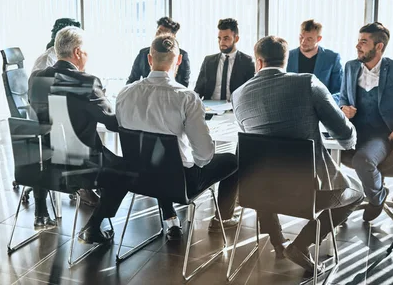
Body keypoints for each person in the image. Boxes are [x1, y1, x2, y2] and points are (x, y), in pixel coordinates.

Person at [232, 35, 364, 274]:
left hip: (257, 190)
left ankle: (278, 241)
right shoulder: (307, 83)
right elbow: (343, 131)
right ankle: (301, 245)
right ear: (286, 60)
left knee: (264, 166)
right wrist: (349, 141)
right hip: (309, 193)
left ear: (258, 62)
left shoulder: (238, 94)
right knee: (356, 193)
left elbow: (254, 143)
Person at [113, 34, 238, 240]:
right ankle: (222, 219)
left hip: (137, 178)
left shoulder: (124, 93)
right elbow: (204, 156)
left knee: (160, 160)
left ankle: (170, 216)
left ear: (149, 59)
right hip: (180, 184)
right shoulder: (186, 97)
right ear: (178, 60)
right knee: (233, 160)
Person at [29, 27, 122, 243]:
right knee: (124, 173)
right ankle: (92, 228)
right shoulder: (87, 82)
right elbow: (112, 122)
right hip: (80, 170)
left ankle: (41, 214)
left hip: (44, 166)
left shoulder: (35, 79)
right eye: (87, 51)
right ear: (78, 52)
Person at [340, 23, 393, 221]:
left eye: (363, 42)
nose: (357, 46)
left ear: (379, 46)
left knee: (363, 160)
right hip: (353, 132)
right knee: (319, 151)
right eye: (358, 41)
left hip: (383, 134)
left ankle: (377, 197)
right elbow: (343, 97)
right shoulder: (351, 66)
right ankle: (335, 205)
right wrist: (344, 108)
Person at [194, 18, 255, 101]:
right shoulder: (208, 61)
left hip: (234, 110)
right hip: (210, 110)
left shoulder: (247, 62)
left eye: (226, 38)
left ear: (236, 39)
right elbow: (198, 90)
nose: (221, 42)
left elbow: (250, 93)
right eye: (219, 38)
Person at [287, 19, 343, 100]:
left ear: (319, 39)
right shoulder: (287, 57)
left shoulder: (332, 58)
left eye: (309, 39)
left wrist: (326, 104)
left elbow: (339, 91)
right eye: (301, 37)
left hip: (321, 109)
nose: (303, 41)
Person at [127, 17, 191, 87]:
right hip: (146, 93)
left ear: (173, 37)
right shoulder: (143, 53)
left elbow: (184, 83)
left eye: (165, 33)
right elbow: (132, 80)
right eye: (159, 32)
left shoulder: (182, 55)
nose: (160, 36)